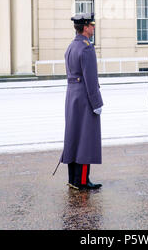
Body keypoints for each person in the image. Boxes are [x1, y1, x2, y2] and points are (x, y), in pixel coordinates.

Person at [58, 13, 103, 190]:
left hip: (72, 96)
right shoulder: (86, 48)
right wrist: (97, 102)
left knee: (73, 137)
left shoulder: (71, 46)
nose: (93, 28)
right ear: (85, 27)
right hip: (84, 96)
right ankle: (82, 180)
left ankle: (73, 178)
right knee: (85, 138)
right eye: (92, 25)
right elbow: (91, 80)